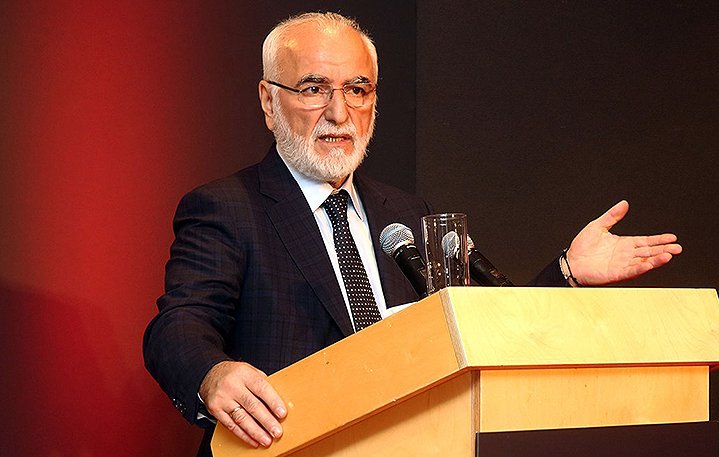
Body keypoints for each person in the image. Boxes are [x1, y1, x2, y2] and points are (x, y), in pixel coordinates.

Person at [143, 12, 682, 456]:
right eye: (314, 89)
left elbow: (486, 326)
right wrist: (211, 374)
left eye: (357, 90)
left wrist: (567, 272)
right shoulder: (227, 208)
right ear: (268, 100)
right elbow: (178, 326)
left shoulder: (405, 213)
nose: (339, 112)